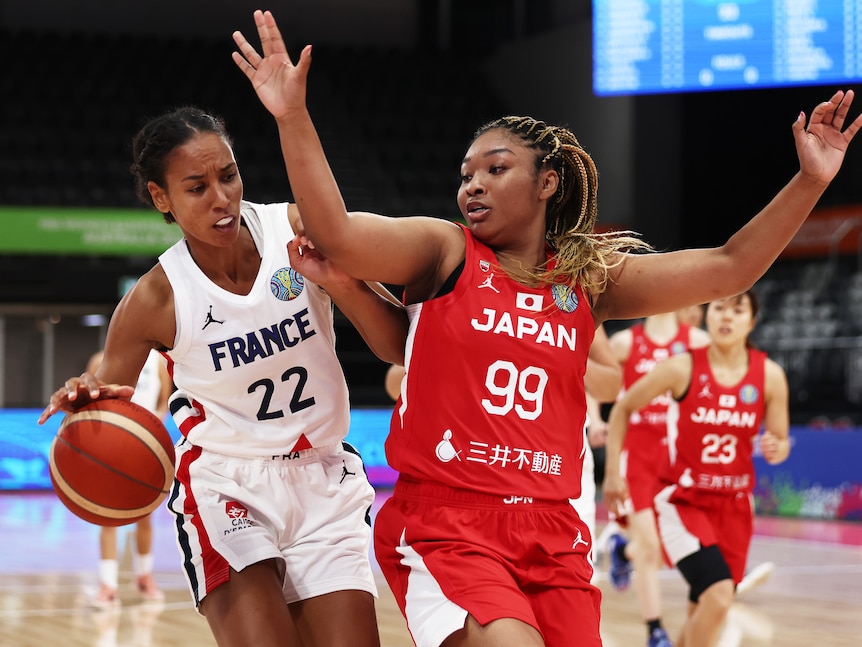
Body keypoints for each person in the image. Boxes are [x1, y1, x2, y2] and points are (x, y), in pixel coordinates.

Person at [232, 10, 861, 646]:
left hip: (554, 530)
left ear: (547, 181)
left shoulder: (587, 278)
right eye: (466, 175)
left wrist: (811, 179)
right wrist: (292, 116)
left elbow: (730, 267)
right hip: (450, 522)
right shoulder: (443, 251)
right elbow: (336, 234)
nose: (472, 185)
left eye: (495, 169)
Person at [39, 105, 409, 647]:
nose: (220, 198)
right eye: (196, 187)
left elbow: (398, 345)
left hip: (324, 478)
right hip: (227, 485)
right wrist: (84, 399)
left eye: (228, 175)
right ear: (161, 198)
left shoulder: (296, 229)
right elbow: (107, 404)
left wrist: (345, 281)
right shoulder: (156, 299)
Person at [603, 290, 791, 647]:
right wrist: (613, 473)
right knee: (719, 594)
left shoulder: (769, 376)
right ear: (707, 316)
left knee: (709, 610)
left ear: (751, 322)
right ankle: (652, 623)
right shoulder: (682, 366)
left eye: (737, 311)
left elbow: (780, 441)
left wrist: (775, 446)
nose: (726, 317)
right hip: (683, 501)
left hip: (735, 505)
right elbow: (624, 407)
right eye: (719, 308)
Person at [602, 313, 710, 647]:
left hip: (678, 458)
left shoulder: (696, 342)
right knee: (650, 546)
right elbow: (589, 377)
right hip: (638, 456)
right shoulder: (624, 343)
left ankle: (624, 550)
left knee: (667, 546)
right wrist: (593, 419)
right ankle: (655, 631)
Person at [87, 348, 173, 608]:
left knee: (145, 517)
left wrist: (153, 422)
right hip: (111, 443)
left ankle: (144, 577)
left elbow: (164, 400)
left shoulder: (158, 361)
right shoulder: (99, 359)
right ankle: (108, 584)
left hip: (146, 445)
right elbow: (90, 404)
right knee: (108, 516)